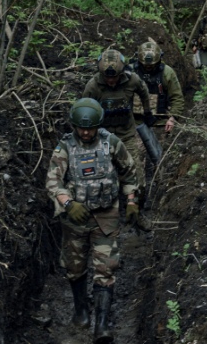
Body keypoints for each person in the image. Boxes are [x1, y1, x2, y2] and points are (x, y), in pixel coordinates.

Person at [45, 98, 139, 344]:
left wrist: (131, 201)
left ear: (98, 125)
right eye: (81, 128)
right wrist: (68, 203)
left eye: (90, 128)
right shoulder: (65, 147)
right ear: (73, 125)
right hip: (75, 219)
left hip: (106, 215)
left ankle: (102, 324)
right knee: (74, 267)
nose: (85, 133)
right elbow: (53, 181)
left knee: (106, 267)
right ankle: (81, 310)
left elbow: (129, 172)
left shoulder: (112, 143)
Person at [83, 49, 155, 228]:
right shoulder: (93, 86)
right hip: (102, 138)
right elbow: (84, 112)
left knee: (138, 180)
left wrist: (147, 111)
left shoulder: (132, 80)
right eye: (107, 77)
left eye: (114, 77)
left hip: (126, 135)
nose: (111, 81)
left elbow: (144, 91)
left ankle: (136, 212)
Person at [132, 40, 185, 135]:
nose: (148, 68)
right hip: (134, 121)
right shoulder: (131, 72)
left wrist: (172, 118)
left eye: (152, 66)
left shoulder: (167, 73)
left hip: (160, 122)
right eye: (145, 66)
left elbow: (177, 98)